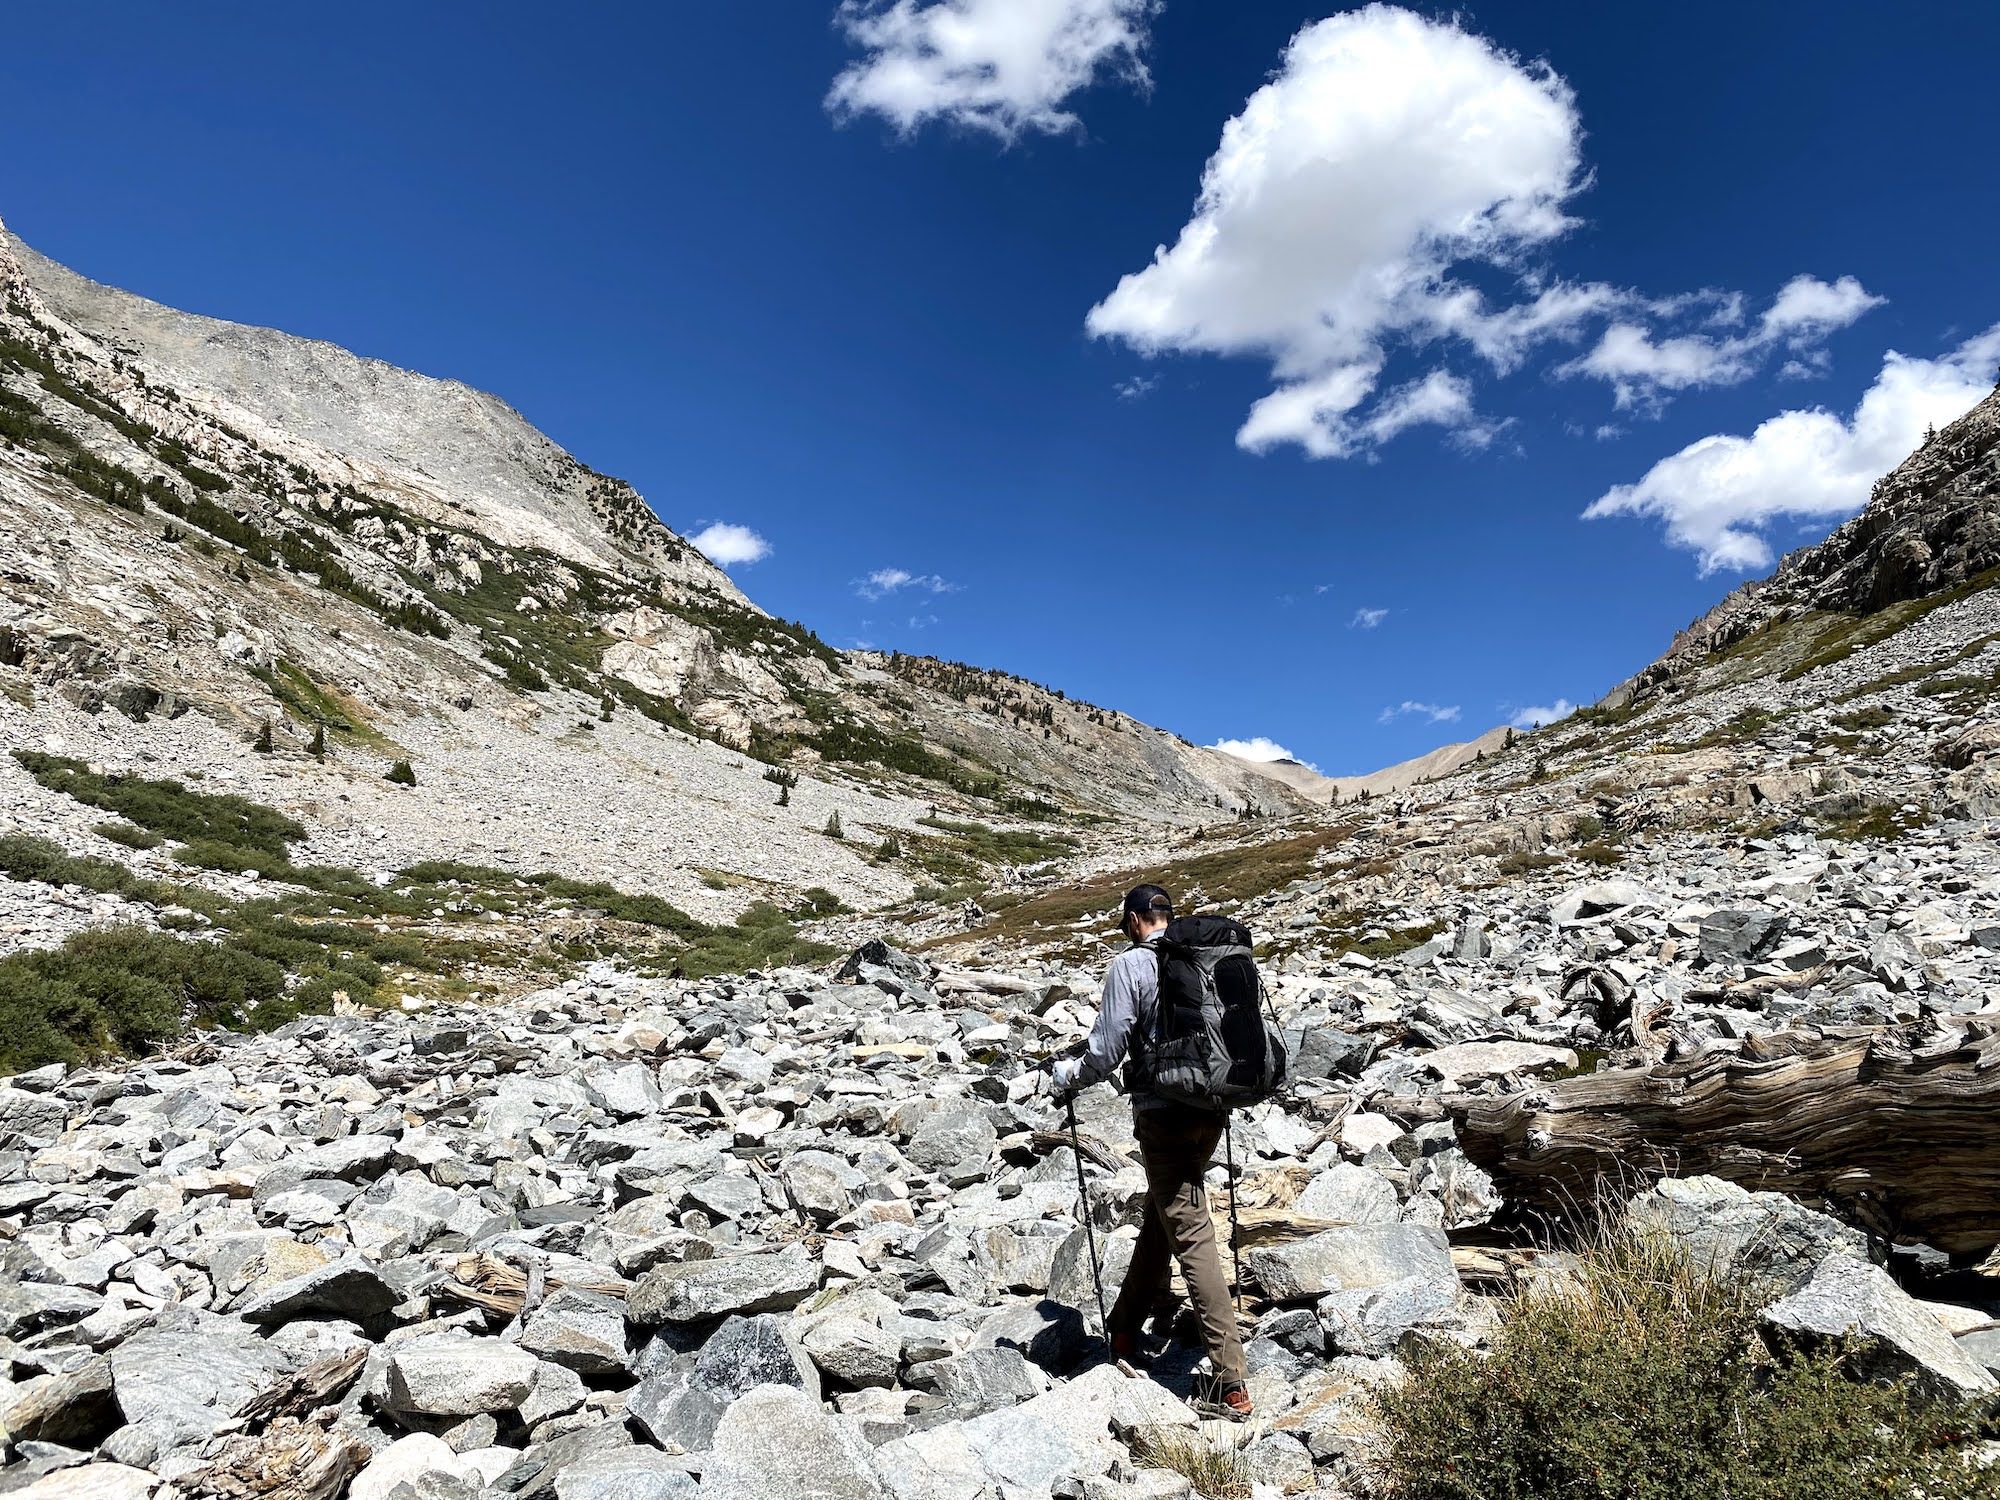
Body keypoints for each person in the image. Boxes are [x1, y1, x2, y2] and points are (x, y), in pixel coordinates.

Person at [1048, 883, 1252, 1417]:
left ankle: (1231, 1380)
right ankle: (1123, 1327)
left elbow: (1106, 1051)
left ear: (1135, 920)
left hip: (1162, 1116)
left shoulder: (1130, 966)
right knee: (1165, 1215)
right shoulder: (1198, 957)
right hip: (1211, 1109)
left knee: (1190, 1230)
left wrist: (1067, 1076)